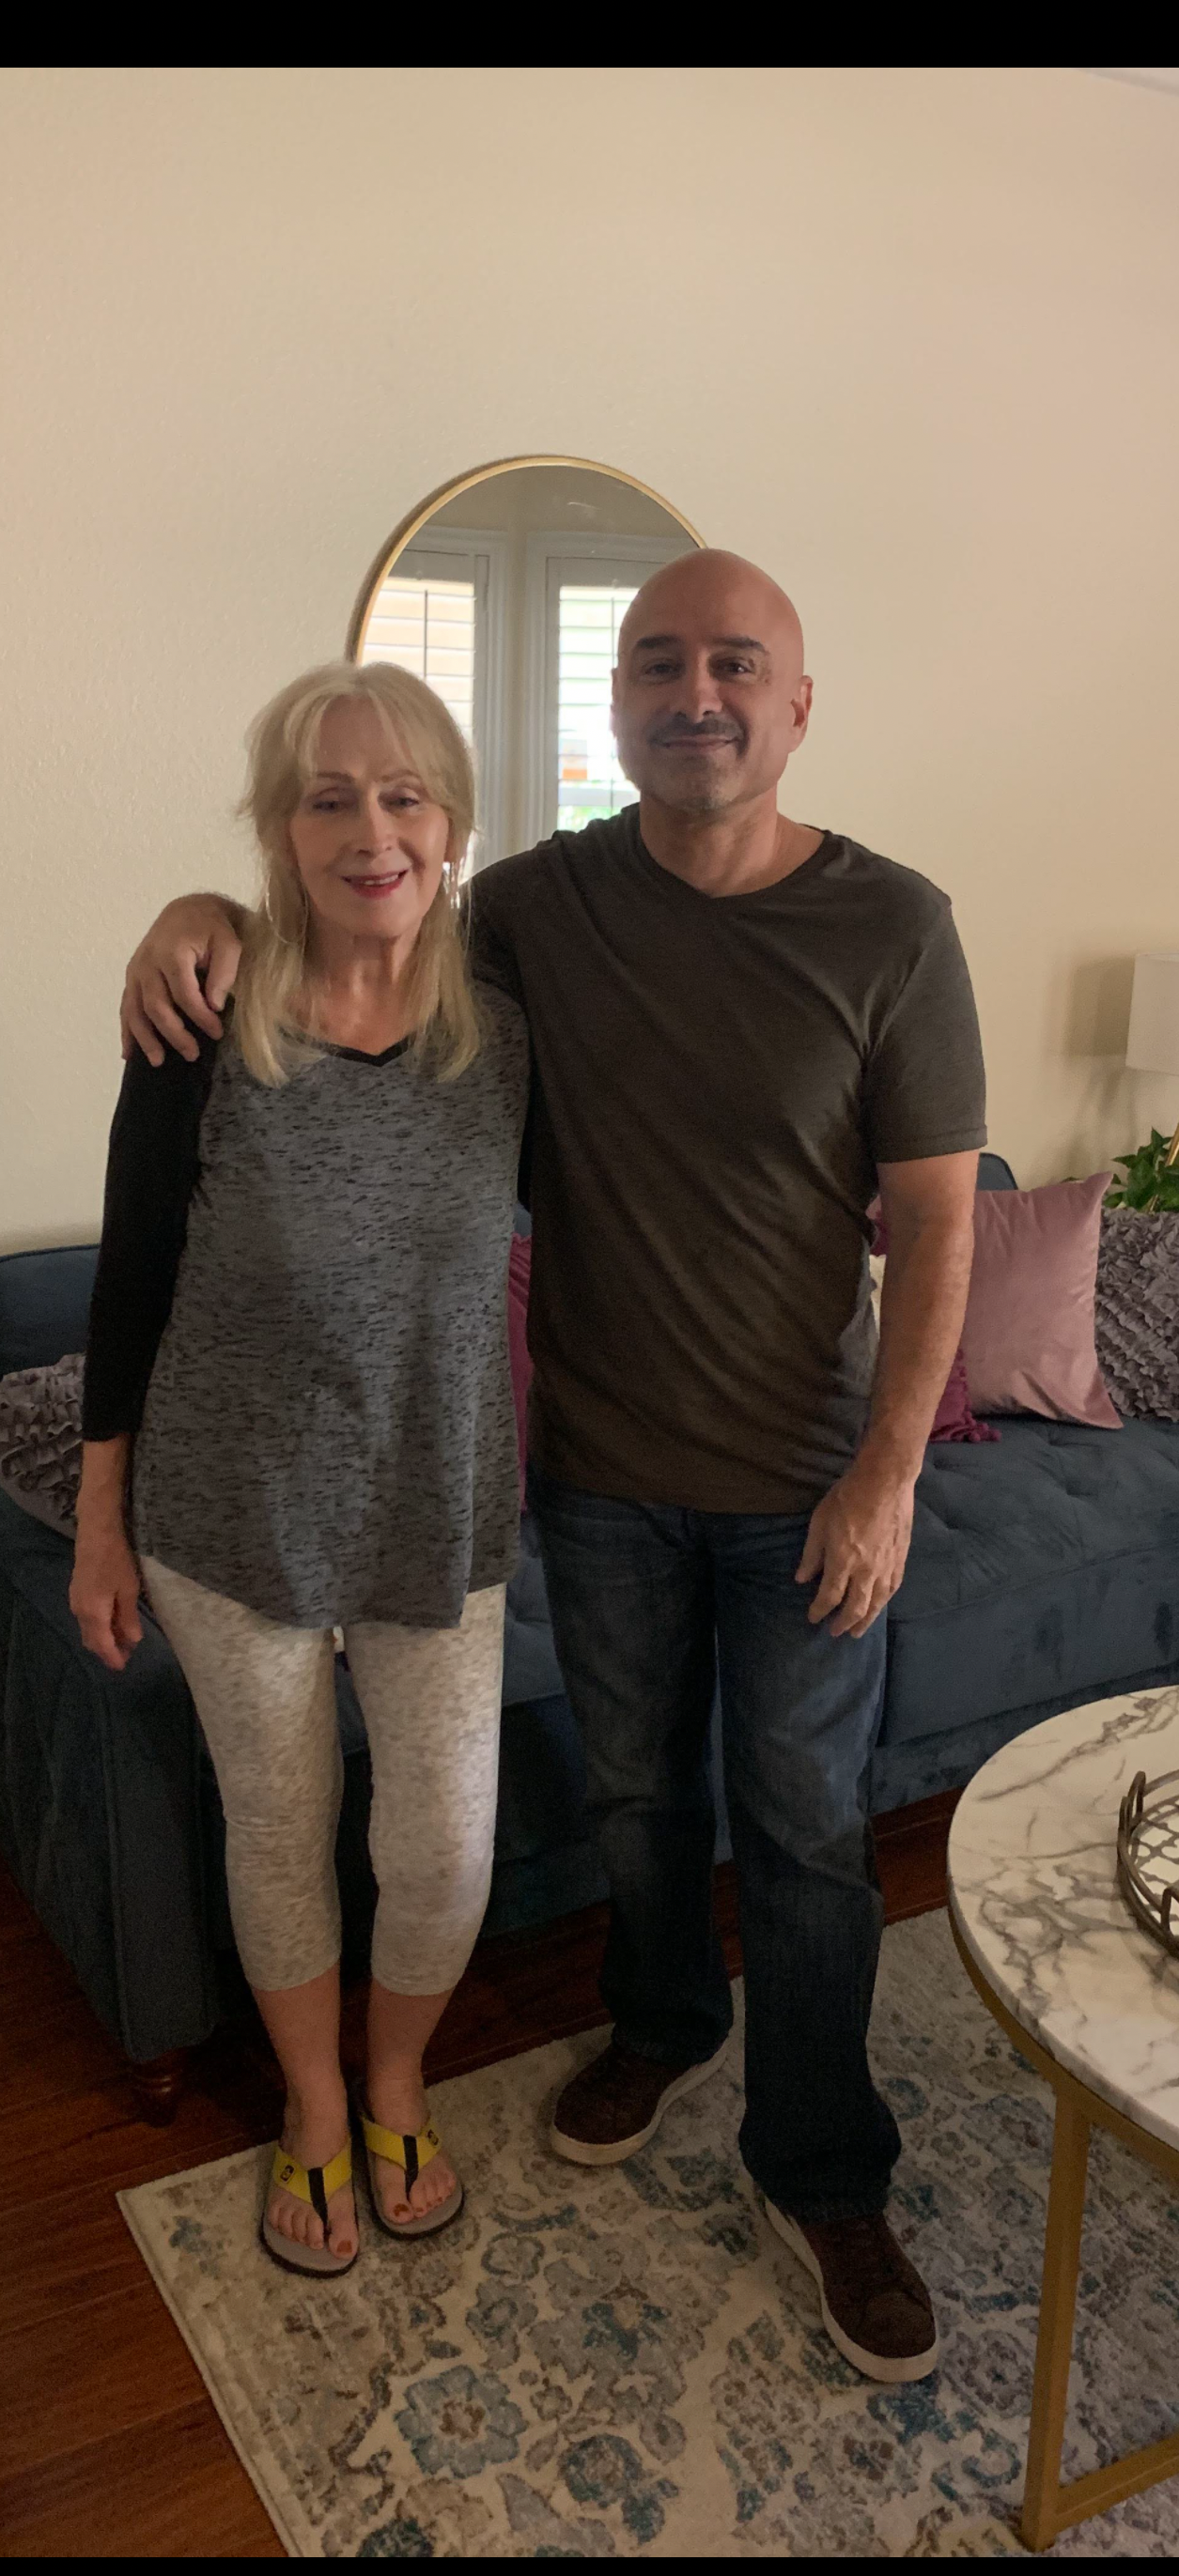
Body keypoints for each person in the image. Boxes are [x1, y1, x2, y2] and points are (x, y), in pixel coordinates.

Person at [120, 552, 985, 2379]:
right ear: (616, 706)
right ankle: (652, 2028)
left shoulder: (887, 926)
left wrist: (892, 1469)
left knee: (806, 1834)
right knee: (638, 1803)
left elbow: (936, 1217)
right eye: (659, 663)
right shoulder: (532, 913)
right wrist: (193, 910)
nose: (698, 695)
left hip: (798, 1482)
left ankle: (823, 2171)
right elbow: (332, 915)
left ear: (797, 703)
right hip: (586, 1479)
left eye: (736, 663)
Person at [71, 661, 529, 2275]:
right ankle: (319, 2107)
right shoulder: (201, 1022)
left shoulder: (511, 1034)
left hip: (435, 1509)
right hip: (230, 1515)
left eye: (403, 795)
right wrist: (100, 1520)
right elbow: (130, 1278)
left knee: (445, 1843)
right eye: (328, 799)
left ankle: (397, 2074)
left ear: (452, 823)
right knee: (278, 1826)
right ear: (277, 829)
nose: (369, 830)